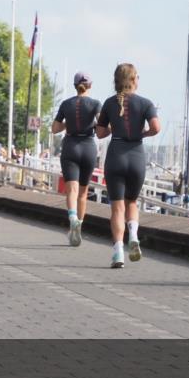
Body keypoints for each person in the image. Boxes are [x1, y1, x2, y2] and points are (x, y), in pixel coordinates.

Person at [95, 63, 161, 268]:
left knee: (117, 208)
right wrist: (142, 134)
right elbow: (156, 128)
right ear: (133, 80)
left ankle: (118, 254)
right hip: (136, 157)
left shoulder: (109, 103)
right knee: (131, 202)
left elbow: (99, 133)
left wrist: (114, 127)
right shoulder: (145, 103)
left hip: (115, 157)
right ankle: (133, 234)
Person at [51, 72, 102, 247]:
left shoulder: (66, 104)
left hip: (70, 146)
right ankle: (78, 226)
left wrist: (69, 123)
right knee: (83, 192)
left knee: (71, 189)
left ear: (74, 86)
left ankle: (72, 217)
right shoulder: (95, 104)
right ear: (90, 85)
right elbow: (102, 126)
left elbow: (55, 128)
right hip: (88, 147)